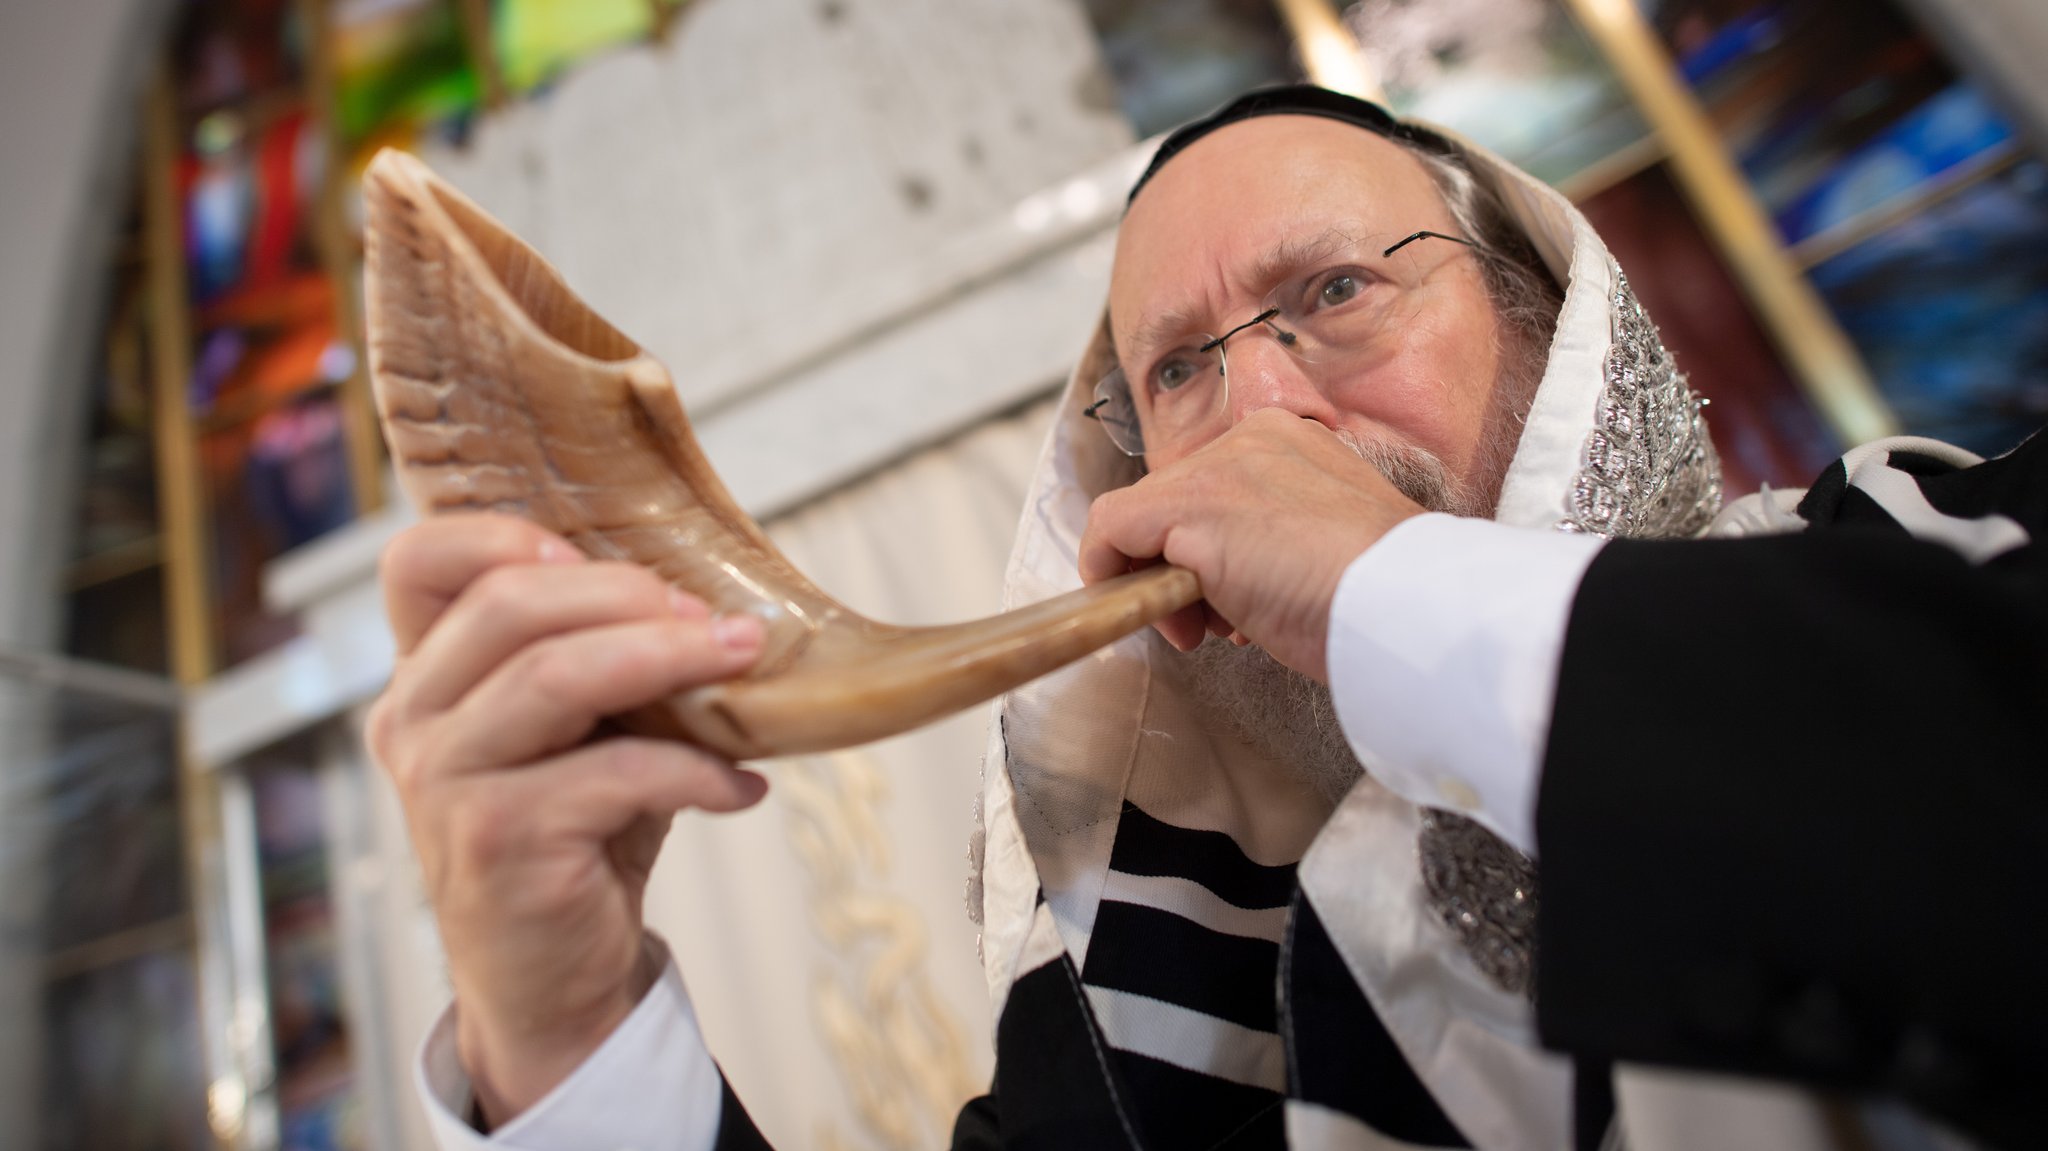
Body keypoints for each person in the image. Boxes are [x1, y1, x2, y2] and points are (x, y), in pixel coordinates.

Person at [370, 87, 2045, 1150]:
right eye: (1177, 370)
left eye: (1333, 294)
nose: (1254, 414)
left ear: (1553, 333)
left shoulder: (1942, 552)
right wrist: (568, 1034)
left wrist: (1389, 585)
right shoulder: (1138, 1046)